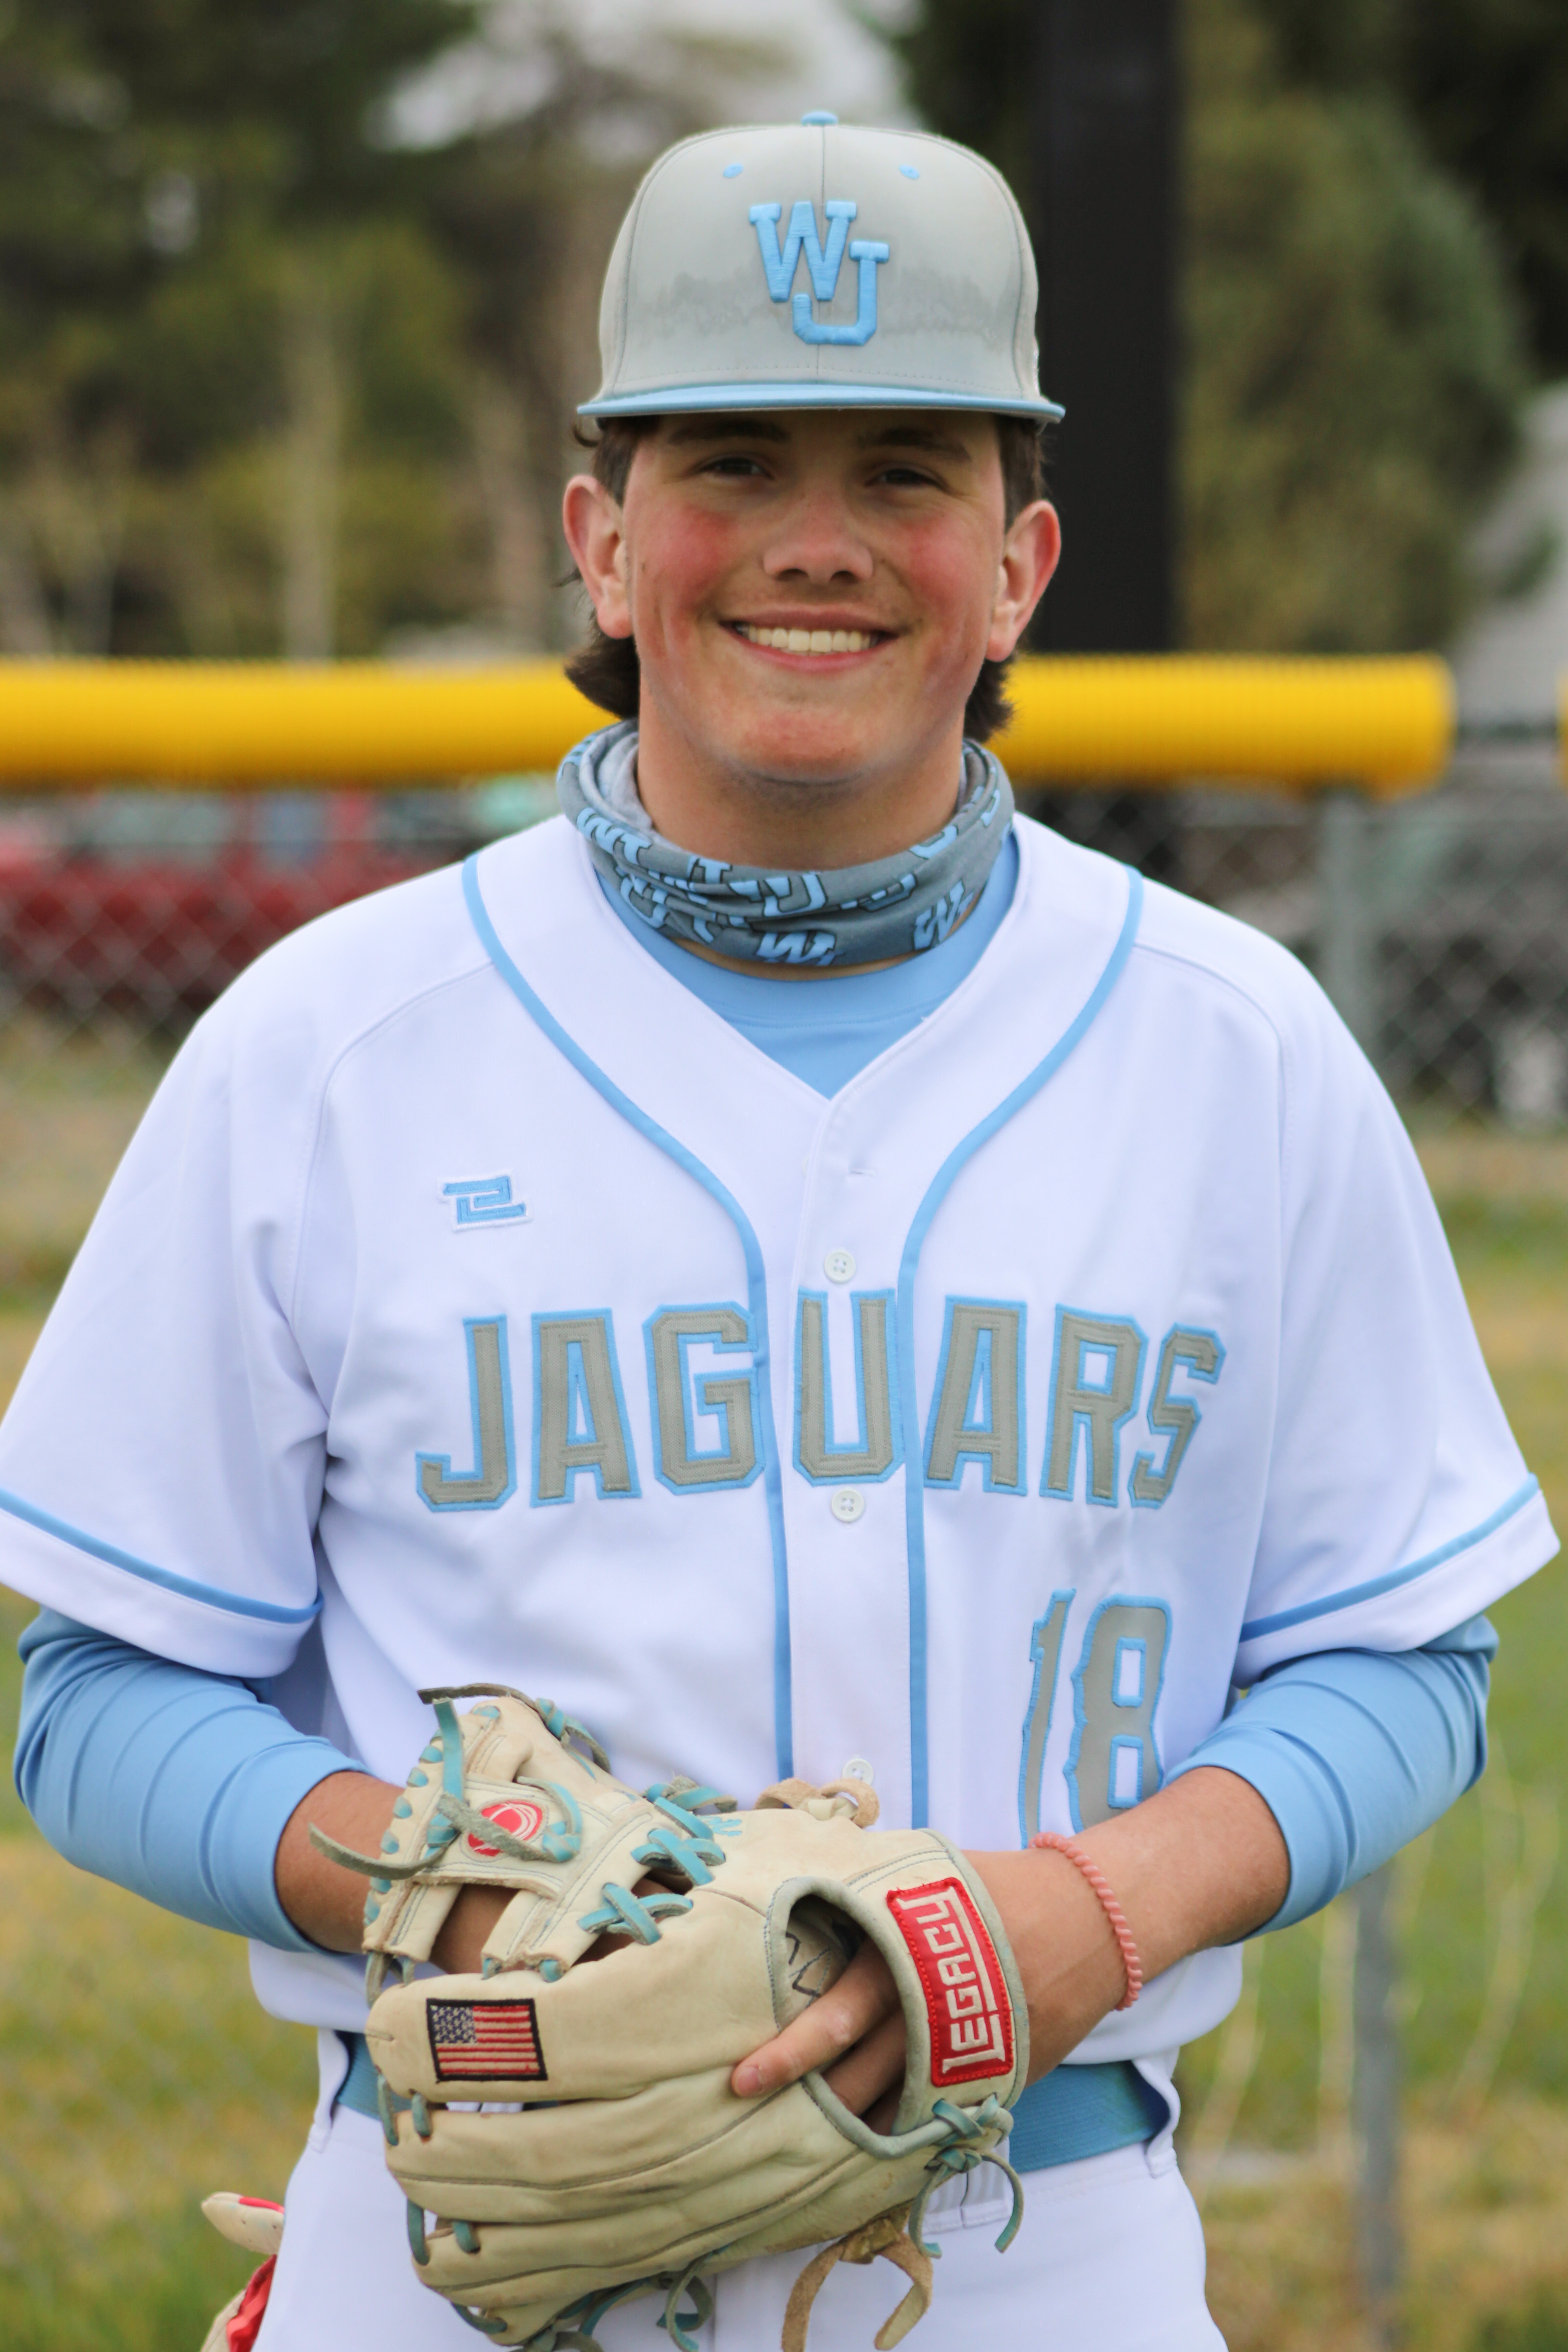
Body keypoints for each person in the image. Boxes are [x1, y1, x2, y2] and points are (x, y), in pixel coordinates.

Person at [2, 114, 1555, 2352]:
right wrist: (479, 1900)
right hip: (466, 2235)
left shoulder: (1235, 1047)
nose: (814, 542)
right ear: (601, 542)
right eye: (731, 461)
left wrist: (1088, 1917)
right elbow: (100, 1696)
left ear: (1016, 564)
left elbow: (1400, 1659)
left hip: (1040, 2237)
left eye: (902, 471)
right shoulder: (331, 1043)